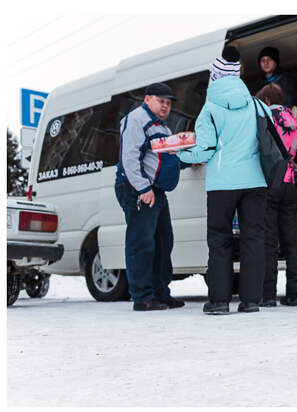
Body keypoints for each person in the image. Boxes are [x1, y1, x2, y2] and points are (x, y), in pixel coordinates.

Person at [179, 45, 269, 315]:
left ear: (215, 77)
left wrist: (180, 154)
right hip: (254, 182)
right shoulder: (256, 104)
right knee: (254, 239)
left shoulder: (210, 108)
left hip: (221, 185)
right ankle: (251, 300)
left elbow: (205, 149)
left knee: (220, 240)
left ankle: (219, 301)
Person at [115, 82, 185, 311]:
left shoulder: (162, 128)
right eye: (161, 101)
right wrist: (143, 189)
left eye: (168, 102)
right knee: (141, 243)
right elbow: (129, 157)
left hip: (156, 191)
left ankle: (161, 294)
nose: (166, 106)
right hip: (138, 189)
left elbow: (164, 159)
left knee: (164, 242)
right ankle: (142, 297)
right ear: (147, 99)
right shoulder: (136, 120)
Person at [255, 83, 297, 307]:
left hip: (269, 183)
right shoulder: (292, 118)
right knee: (291, 241)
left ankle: (268, 295)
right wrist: (291, 171)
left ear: (266, 101)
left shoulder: (265, 116)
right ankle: (295, 294)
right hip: (288, 184)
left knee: (269, 241)